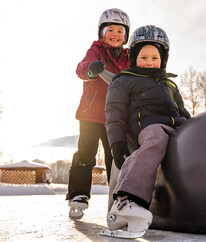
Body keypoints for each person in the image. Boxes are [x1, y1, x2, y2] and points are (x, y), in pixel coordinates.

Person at [103, 25, 191, 237]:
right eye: (144, 57)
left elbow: (182, 110)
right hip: (145, 130)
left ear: (163, 60)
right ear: (134, 58)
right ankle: (127, 201)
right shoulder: (124, 80)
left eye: (155, 57)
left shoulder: (169, 84)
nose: (150, 62)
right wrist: (116, 142)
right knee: (157, 137)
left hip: (173, 128)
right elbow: (114, 113)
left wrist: (193, 126)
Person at [67, 8, 130, 220]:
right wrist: (90, 69)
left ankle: (120, 196)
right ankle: (78, 194)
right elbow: (81, 68)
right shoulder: (96, 50)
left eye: (120, 31)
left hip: (116, 117)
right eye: (110, 29)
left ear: (126, 35)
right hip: (91, 115)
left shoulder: (129, 56)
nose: (115, 34)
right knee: (86, 153)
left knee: (116, 157)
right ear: (102, 32)